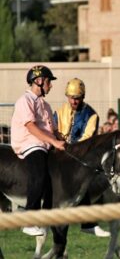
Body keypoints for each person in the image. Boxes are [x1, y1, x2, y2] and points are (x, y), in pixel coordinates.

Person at [11, 65, 65, 236]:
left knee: (55, 177)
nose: (51, 85)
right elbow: (31, 127)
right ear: (39, 81)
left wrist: (60, 138)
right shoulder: (24, 101)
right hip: (29, 144)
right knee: (40, 174)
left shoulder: (46, 105)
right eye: (49, 81)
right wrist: (54, 143)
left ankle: (44, 219)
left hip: (44, 144)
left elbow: (53, 130)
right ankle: (28, 220)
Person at [53, 78, 110, 237]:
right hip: (58, 155)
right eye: (71, 97)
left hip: (80, 159)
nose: (74, 100)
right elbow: (53, 130)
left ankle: (89, 222)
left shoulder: (92, 116)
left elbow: (86, 140)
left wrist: (67, 148)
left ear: (83, 97)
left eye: (77, 97)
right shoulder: (58, 112)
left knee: (86, 181)